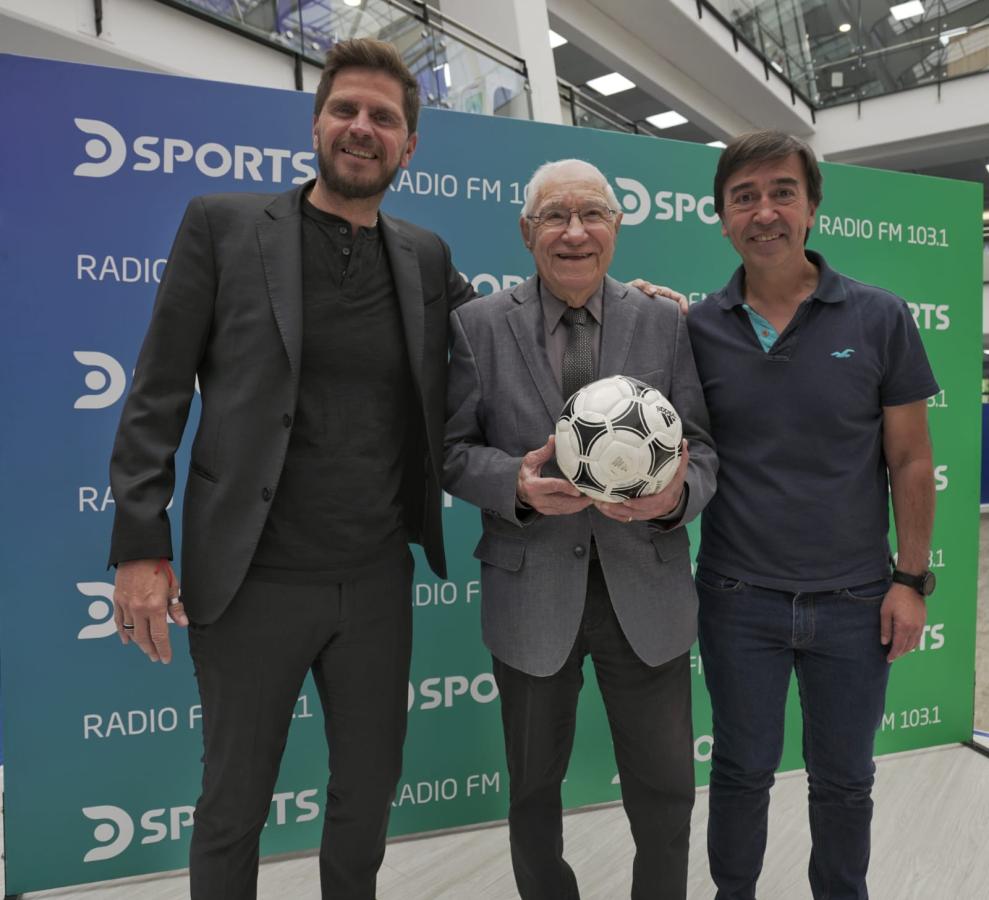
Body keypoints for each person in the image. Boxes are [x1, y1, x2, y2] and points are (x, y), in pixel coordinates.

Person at [107, 38, 474, 900]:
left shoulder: (425, 256)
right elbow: (155, 395)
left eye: (383, 117)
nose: (361, 127)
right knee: (233, 803)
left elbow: (505, 340)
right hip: (250, 578)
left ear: (408, 146)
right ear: (315, 124)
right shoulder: (223, 227)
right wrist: (137, 549)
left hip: (376, 575)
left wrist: (629, 302)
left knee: (365, 796)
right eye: (345, 108)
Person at [443, 158, 718, 900]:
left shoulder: (665, 321)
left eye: (592, 214)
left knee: (664, 793)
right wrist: (516, 487)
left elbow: (705, 448)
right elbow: (448, 450)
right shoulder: (474, 326)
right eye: (554, 217)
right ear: (526, 232)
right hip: (530, 592)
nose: (574, 232)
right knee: (533, 792)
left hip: (647, 593)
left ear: (616, 227)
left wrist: (672, 500)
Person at [686, 130, 938, 900]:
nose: (764, 211)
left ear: (812, 208)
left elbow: (911, 461)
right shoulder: (694, 329)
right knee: (738, 771)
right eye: (744, 197)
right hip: (737, 599)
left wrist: (909, 580)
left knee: (842, 782)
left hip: (856, 600)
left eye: (781, 192)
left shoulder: (880, 317)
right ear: (721, 217)